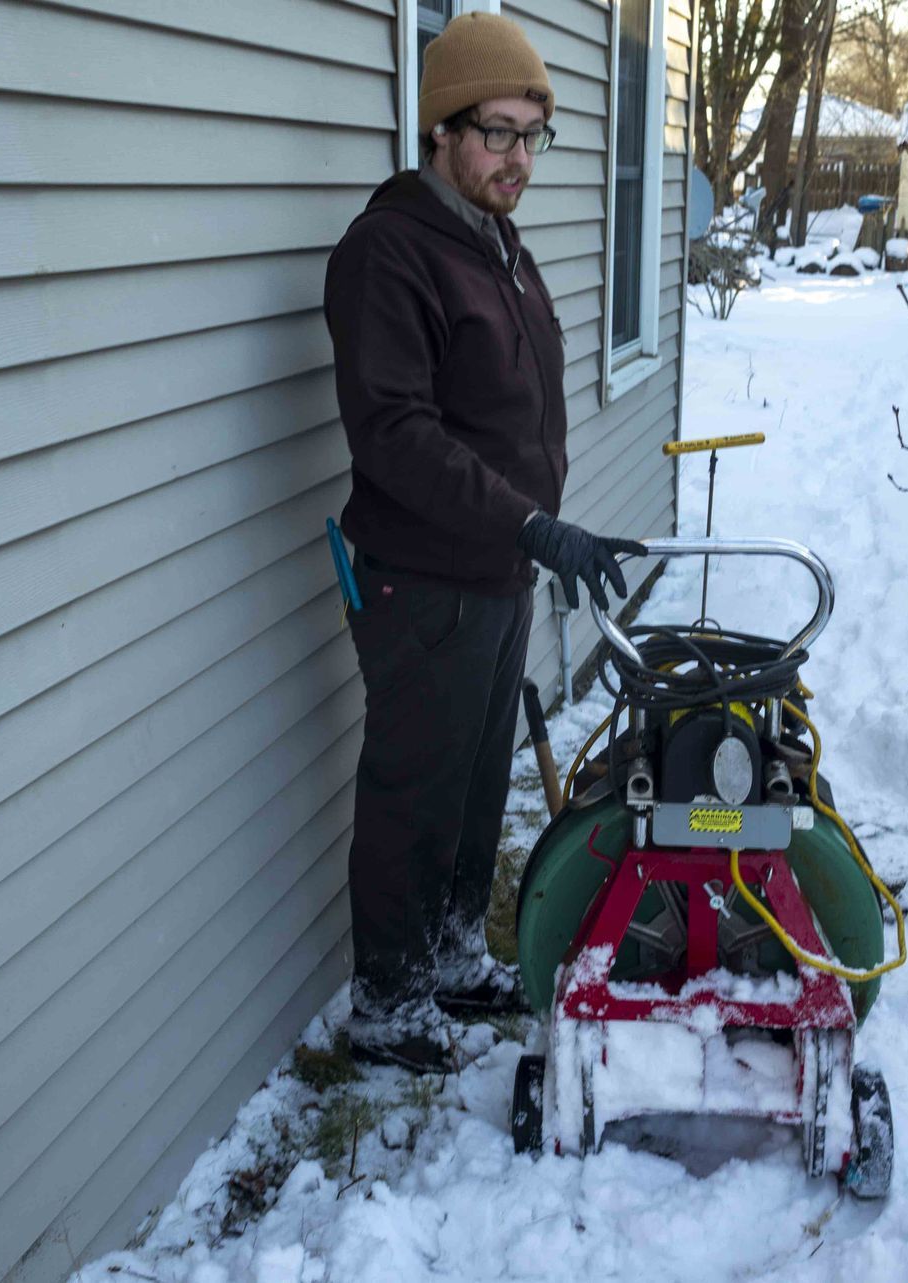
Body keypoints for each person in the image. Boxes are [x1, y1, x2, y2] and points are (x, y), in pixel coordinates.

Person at [323, 12, 646, 1072]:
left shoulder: (496, 244)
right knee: (415, 789)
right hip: (425, 579)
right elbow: (398, 434)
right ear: (443, 131)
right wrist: (530, 521)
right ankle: (387, 998)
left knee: (473, 785)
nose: (518, 159)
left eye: (531, 137)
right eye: (498, 133)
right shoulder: (392, 254)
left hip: (497, 568)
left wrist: (537, 530)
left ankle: (452, 953)